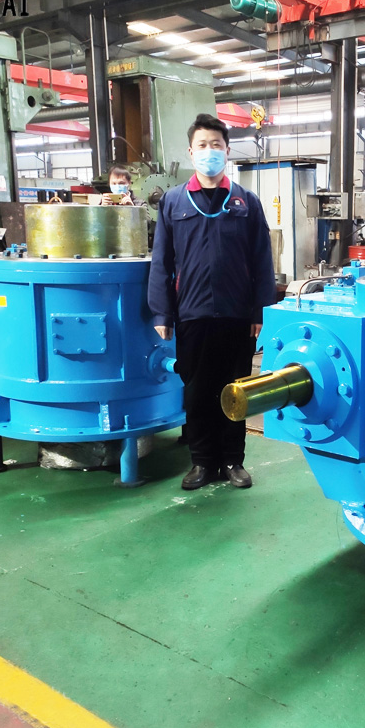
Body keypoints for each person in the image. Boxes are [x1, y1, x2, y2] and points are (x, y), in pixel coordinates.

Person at [147, 113, 276, 491]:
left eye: (216, 145)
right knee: (198, 391)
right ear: (191, 152)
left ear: (227, 150)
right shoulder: (174, 202)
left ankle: (233, 461)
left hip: (238, 315)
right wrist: (161, 312)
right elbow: (162, 261)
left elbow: (262, 260)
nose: (209, 151)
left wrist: (259, 310)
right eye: (202, 145)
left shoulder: (246, 202)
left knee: (236, 388)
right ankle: (202, 463)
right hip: (193, 313)